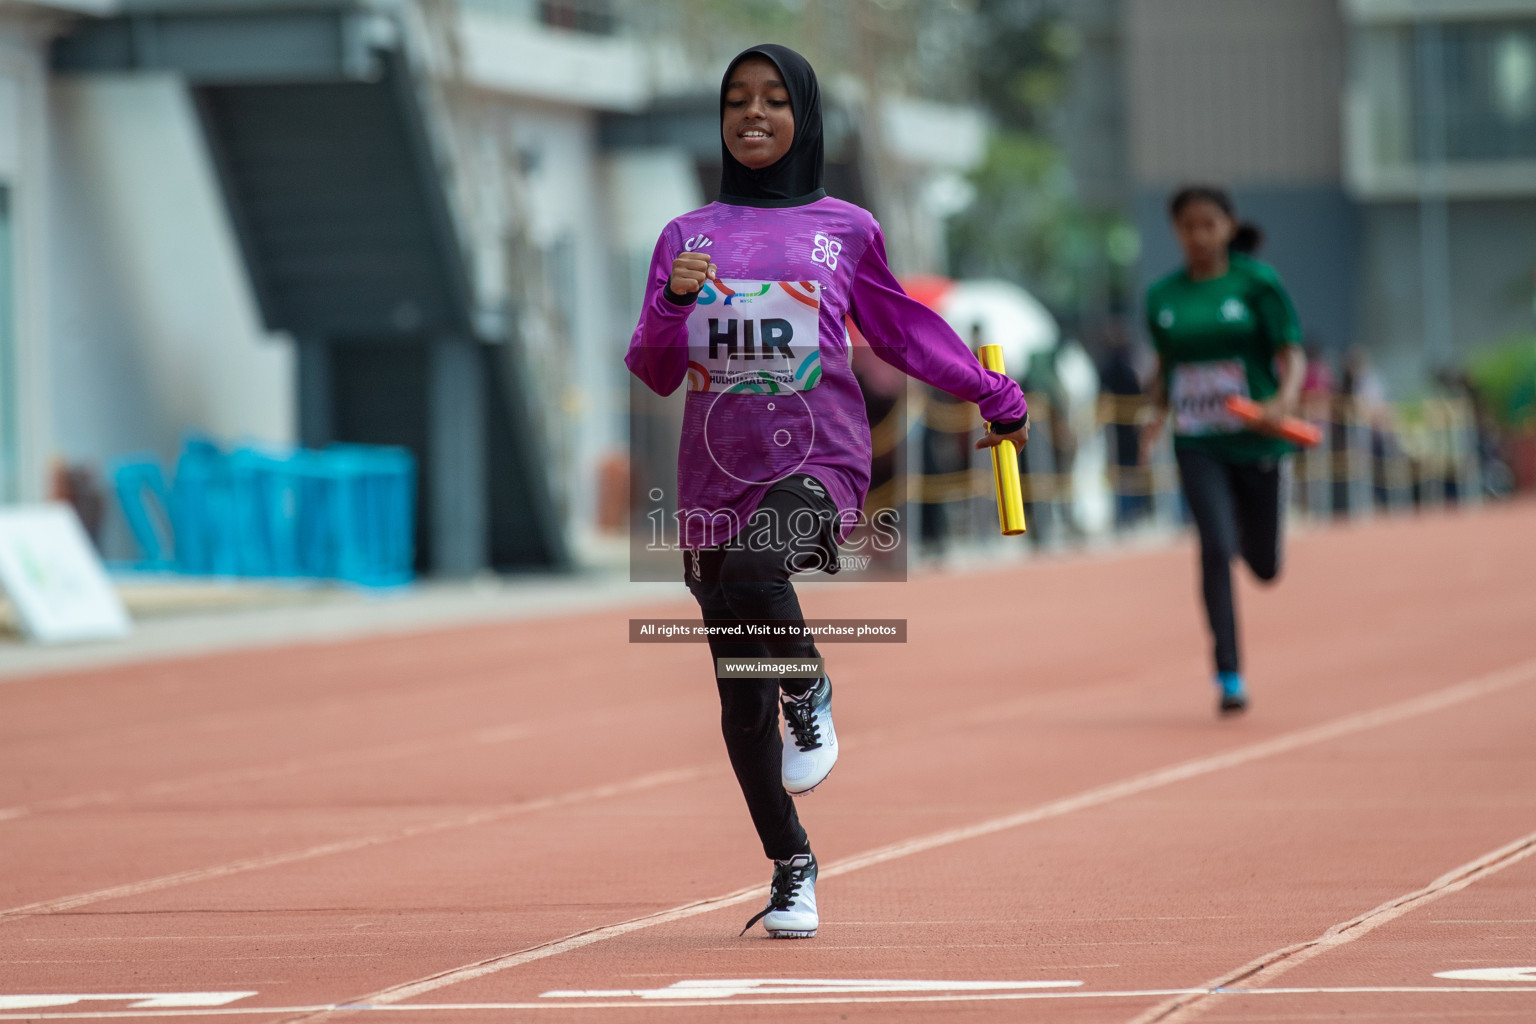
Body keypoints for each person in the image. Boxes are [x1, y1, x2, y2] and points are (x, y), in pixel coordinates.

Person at [625, 44, 1029, 938]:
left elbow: (904, 330)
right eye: (737, 100)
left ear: (803, 117)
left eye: (774, 99)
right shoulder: (683, 238)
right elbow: (653, 371)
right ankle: (792, 867)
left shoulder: (844, 228)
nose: (754, 113)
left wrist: (993, 394)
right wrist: (670, 307)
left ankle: (808, 691)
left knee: (758, 569)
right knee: (738, 703)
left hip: (821, 463)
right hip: (711, 483)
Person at [1141, 185, 1305, 715]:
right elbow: (1167, 368)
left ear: (1229, 227)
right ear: (1176, 232)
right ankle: (1229, 674)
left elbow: (1292, 353)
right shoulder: (1163, 297)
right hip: (1197, 441)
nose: (1199, 236)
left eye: (1208, 225)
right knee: (1213, 547)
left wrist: (1284, 398)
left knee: (1263, 566)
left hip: (1257, 439)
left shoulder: (1257, 283)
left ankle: (1245, 529)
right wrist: (1155, 413)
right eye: (1187, 227)